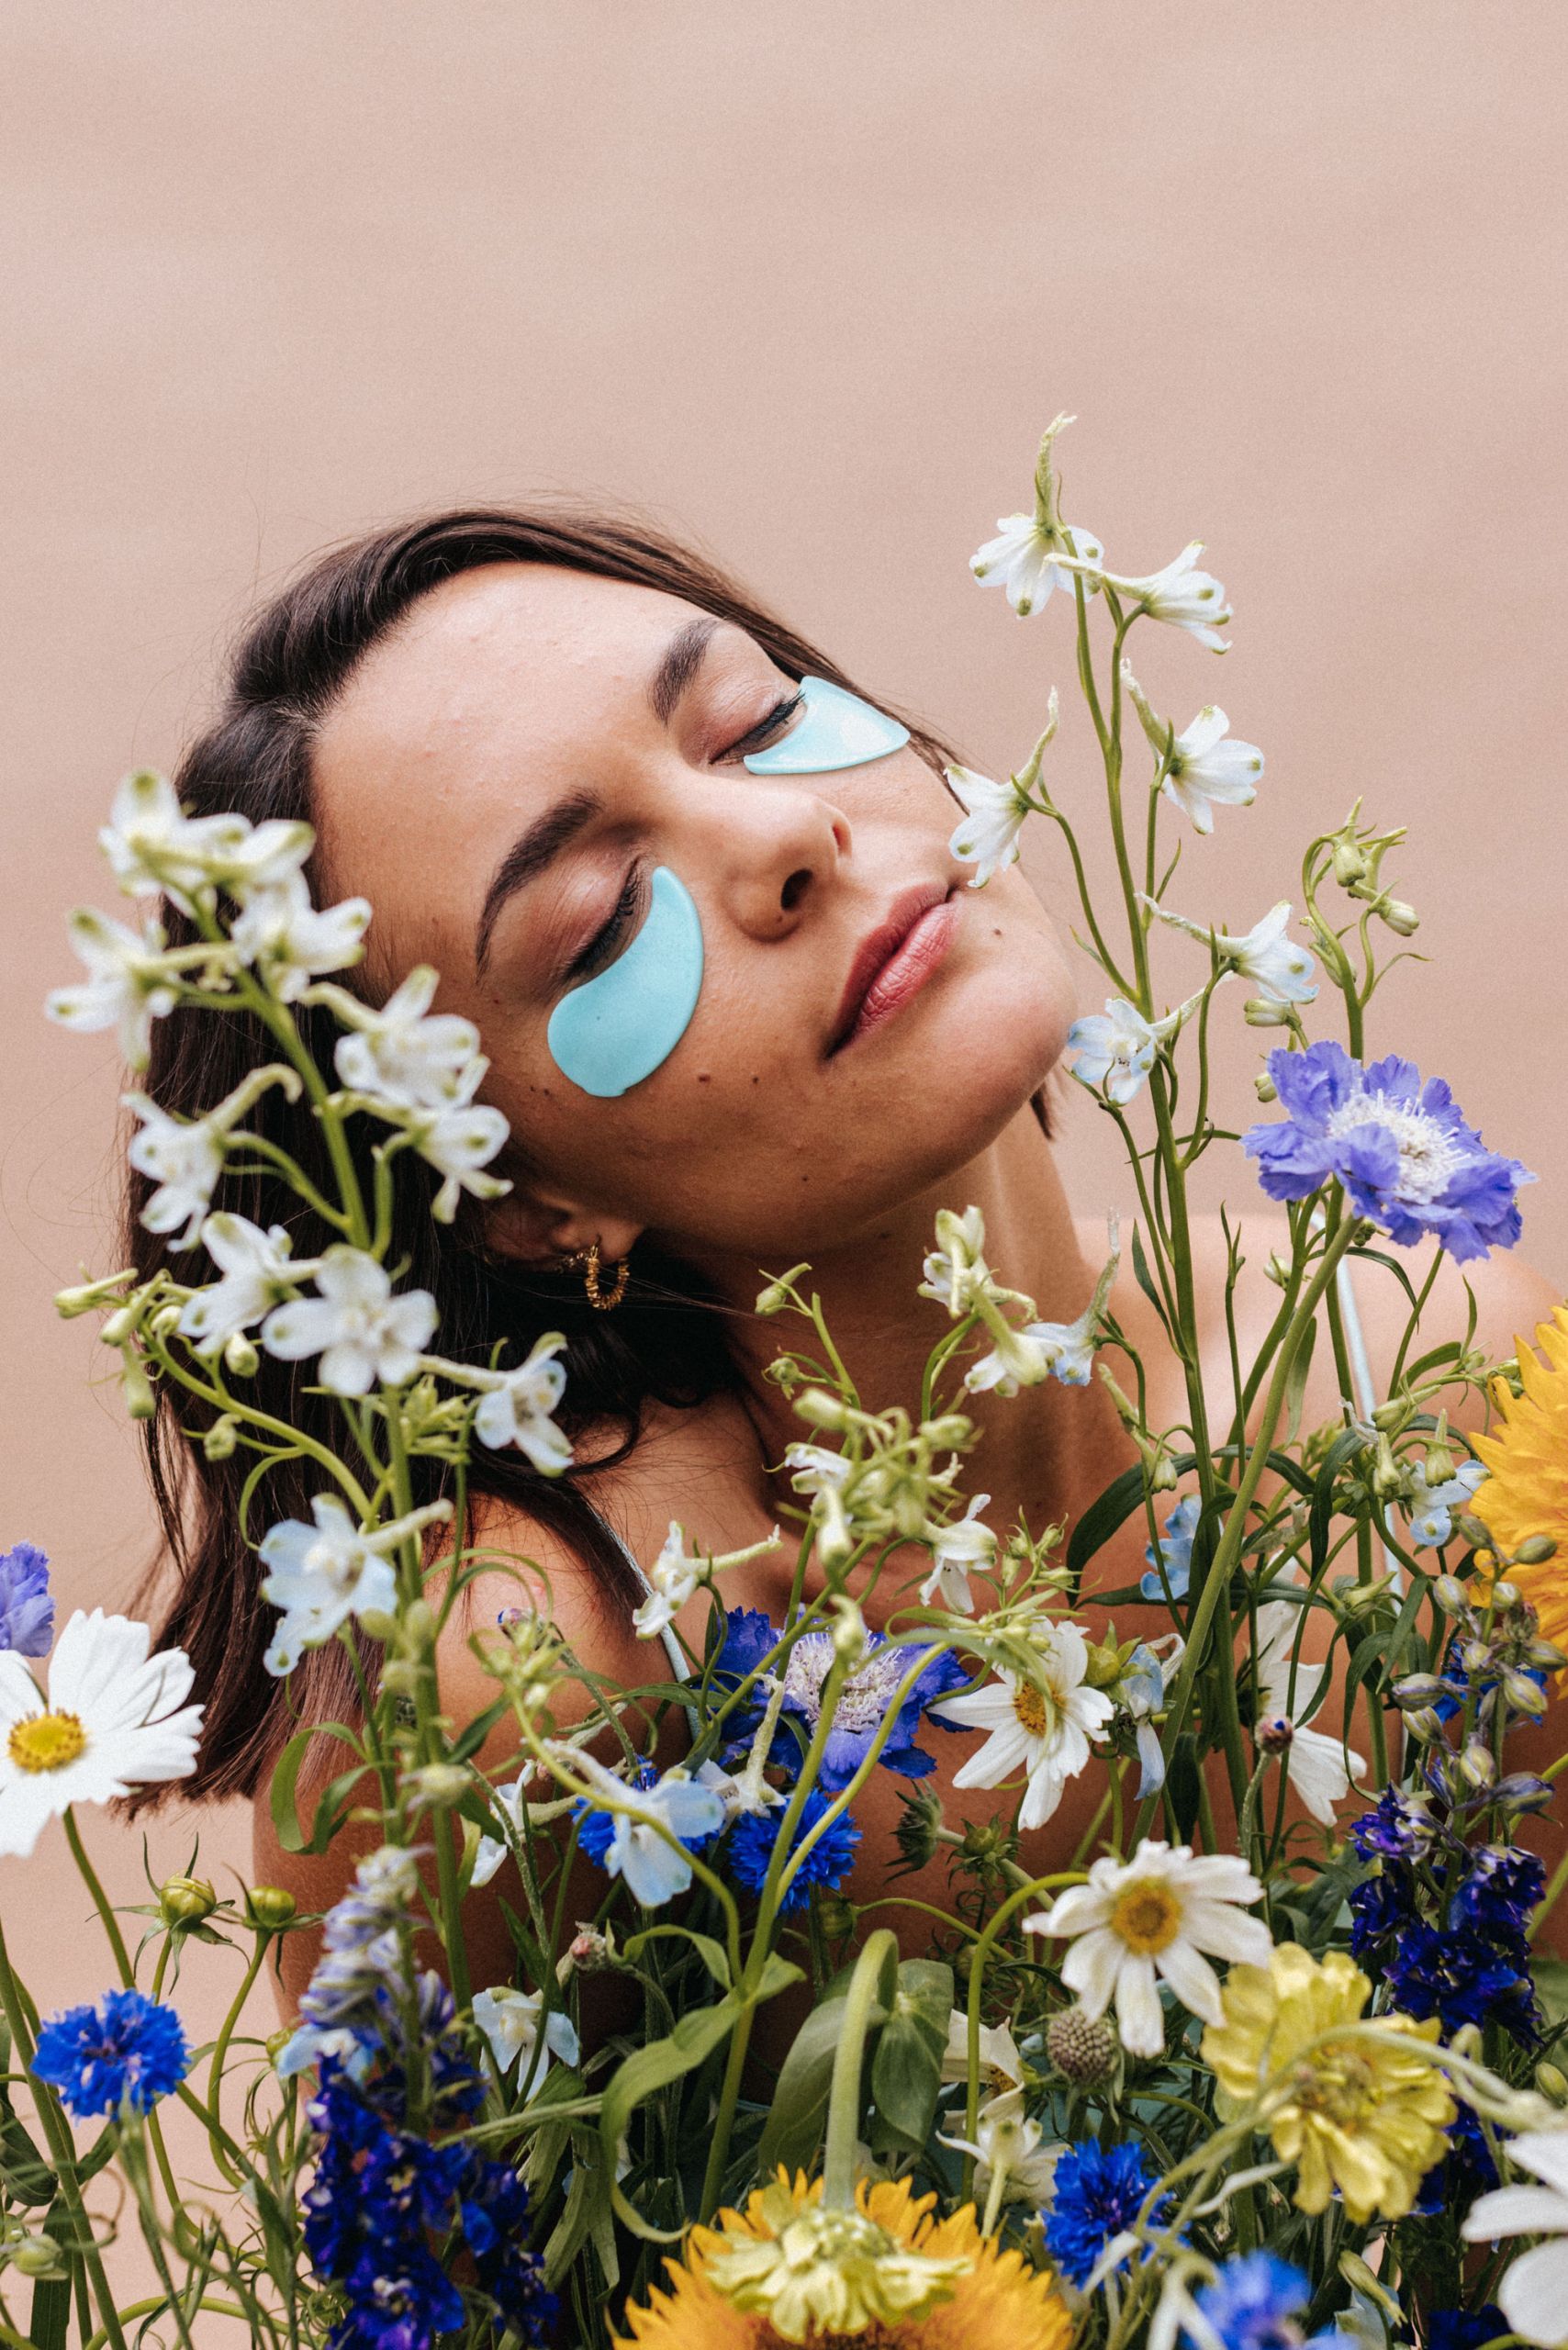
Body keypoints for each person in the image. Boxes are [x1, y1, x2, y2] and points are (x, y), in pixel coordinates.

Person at [120, 508, 1562, 2003]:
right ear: (522, 1204)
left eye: (756, 723)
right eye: (602, 921)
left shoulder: (1433, 1382)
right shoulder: (524, 1687)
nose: (789, 835)